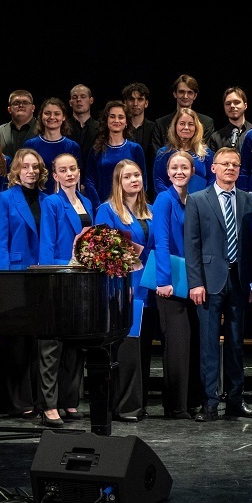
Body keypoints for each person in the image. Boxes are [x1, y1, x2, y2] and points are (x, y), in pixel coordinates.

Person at [185, 145, 252, 421]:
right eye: (225, 164)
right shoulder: (197, 199)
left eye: (235, 164)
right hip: (208, 280)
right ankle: (209, 403)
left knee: (236, 344)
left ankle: (235, 401)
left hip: (239, 281)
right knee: (208, 344)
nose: (230, 168)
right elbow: (191, 245)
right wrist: (195, 282)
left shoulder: (250, 201)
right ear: (213, 168)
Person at [95, 159, 157, 422]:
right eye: (127, 177)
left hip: (149, 287)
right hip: (123, 289)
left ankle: (138, 403)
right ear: (118, 181)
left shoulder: (151, 210)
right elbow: (101, 247)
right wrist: (130, 255)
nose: (134, 180)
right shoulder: (107, 210)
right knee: (126, 350)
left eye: (137, 175)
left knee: (142, 349)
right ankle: (123, 406)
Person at [38, 152, 96, 426]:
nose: (70, 173)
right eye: (64, 170)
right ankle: (49, 406)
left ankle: (69, 401)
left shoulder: (86, 202)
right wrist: (63, 267)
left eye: (73, 168)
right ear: (55, 175)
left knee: (75, 347)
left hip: (81, 281)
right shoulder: (51, 202)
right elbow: (47, 245)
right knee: (52, 348)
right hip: (59, 279)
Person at [0, 148, 48, 420]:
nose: (30, 171)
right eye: (25, 166)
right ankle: (15, 402)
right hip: (15, 272)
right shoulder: (5, 199)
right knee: (15, 341)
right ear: (16, 170)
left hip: (41, 274)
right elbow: (0, 241)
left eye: (35, 167)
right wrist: (4, 278)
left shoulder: (47, 199)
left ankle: (38, 399)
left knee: (37, 340)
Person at [151, 150, 203, 420]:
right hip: (170, 283)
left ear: (193, 171)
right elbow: (160, 241)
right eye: (174, 168)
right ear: (167, 172)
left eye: (184, 167)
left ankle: (191, 400)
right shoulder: (163, 199)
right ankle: (175, 405)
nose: (179, 172)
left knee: (192, 343)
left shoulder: (193, 199)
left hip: (191, 280)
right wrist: (163, 281)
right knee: (177, 345)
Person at [83, 100, 147, 206]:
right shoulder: (96, 150)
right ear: (106, 120)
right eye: (112, 116)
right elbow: (89, 181)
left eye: (121, 117)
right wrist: (98, 205)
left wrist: (134, 204)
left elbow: (143, 181)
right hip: (103, 205)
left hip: (130, 206)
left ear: (126, 122)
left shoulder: (135, 149)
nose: (116, 120)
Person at [24, 97, 82, 194]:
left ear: (63, 117)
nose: (52, 117)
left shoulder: (72, 146)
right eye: (47, 113)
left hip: (64, 200)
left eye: (57, 114)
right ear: (41, 116)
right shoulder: (30, 145)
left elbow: (77, 178)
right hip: (36, 198)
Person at [153, 107, 213, 197]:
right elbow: (159, 182)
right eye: (182, 123)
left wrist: (202, 200)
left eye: (190, 124)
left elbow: (212, 180)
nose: (186, 127)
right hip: (172, 204)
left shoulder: (206, 154)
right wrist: (174, 199)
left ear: (196, 127)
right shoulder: (163, 153)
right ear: (175, 126)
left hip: (200, 204)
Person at [122, 82, 160, 198]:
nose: (135, 103)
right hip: (123, 183)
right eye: (131, 99)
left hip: (150, 187)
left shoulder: (155, 127)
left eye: (140, 99)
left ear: (146, 103)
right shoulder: (119, 128)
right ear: (125, 103)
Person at [154, 74, 216, 141]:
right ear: (175, 94)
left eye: (190, 92)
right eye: (181, 92)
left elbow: (204, 149)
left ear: (195, 96)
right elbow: (157, 151)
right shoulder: (161, 123)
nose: (185, 96)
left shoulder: (206, 123)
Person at [208, 86, 251, 152]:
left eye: (236, 102)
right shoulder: (215, 137)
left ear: (245, 106)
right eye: (228, 103)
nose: (232, 106)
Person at [0, 89, 37, 158]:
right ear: (9, 109)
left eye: (25, 103)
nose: (21, 105)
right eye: (16, 103)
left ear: (33, 108)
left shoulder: (44, 129)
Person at [68, 83, 101, 153]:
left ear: (91, 100)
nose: (78, 100)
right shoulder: (63, 127)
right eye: (74, 97)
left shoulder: (100, 128)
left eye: (83, 97)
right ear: (70, 103)